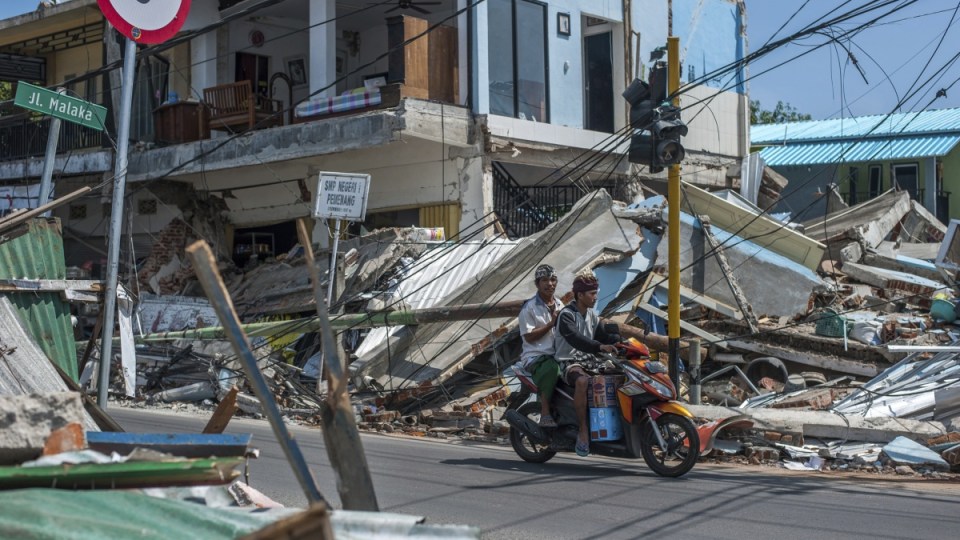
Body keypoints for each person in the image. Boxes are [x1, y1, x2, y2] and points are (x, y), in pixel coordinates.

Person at [554, 274, 619, 457]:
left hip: (590, 361)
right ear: (580, 295)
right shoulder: (566, 316)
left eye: (596, 293)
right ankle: (583, 430)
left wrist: (619, 341)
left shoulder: (591, 315)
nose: (596, 297)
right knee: (582, 381)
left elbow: (603, 335)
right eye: (592, 293)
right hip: (568, 361)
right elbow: (576, 339)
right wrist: (599, 346)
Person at [517, 264, 563, 428]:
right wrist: (551, 324)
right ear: (537, 284)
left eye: (552, 280)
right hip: (535, 358)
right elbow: (529, 337)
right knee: (552, 369)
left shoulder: (560, 305)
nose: (549, 284)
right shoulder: (529, 308)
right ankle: (544, 414)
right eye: (545, 280)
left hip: (557, 356)